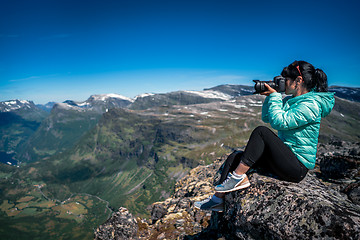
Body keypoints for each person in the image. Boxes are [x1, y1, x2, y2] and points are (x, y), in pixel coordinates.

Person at [194, 60, 335, 212]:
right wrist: (270, 97)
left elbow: (279, 123)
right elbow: (268, 117)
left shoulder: (311, 104)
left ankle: (238, 179)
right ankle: (217, 200)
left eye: (285, 80)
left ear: (298, 80)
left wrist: (275, 97)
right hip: (284, 158)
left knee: (261, 132)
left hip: (297, 167)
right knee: (236, 157)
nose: (283, 84)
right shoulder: (291, 100)